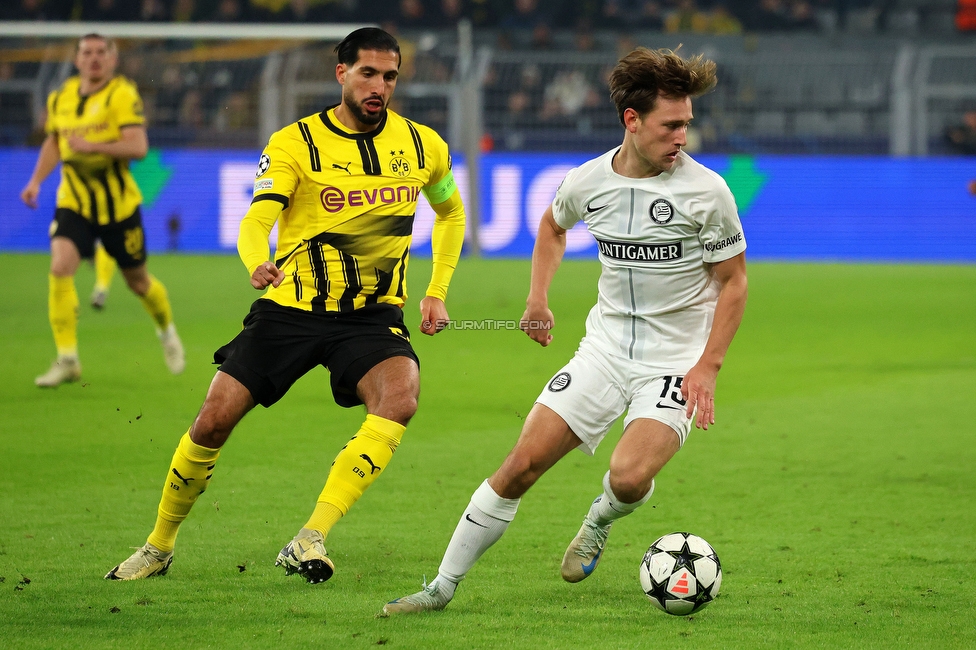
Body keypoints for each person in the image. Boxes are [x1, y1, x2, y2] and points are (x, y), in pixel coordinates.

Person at [382, 46, 748, 615]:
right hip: (602, 352)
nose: (683, 137)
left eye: (687, 125)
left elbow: (735, 283)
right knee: (519, 466)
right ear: (632, 120)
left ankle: (599, 518)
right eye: (671, 125)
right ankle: (440, 588)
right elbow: (553, 227)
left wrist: (707, 366)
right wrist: (537, 298)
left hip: (674, 361)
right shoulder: (588, 181)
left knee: (626, 479)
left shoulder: (708, 193)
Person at [105, 27, 466, 584]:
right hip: (291, 308)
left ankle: (310, 536)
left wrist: (437, 290)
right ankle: (158, 545)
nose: (379, 86)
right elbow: (258, 218)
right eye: (368, 73)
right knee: (213, 419)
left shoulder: (423, 145)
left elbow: (450, 213)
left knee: (400, 398)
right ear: (340, 72)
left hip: (370, 316)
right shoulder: (295, 142)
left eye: (390, 76)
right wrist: (255, 260)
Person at [20, 33, 185, 388]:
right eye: (87, 53)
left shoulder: (122, 94)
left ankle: (166, 331)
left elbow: (139, 146)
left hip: (118, 207)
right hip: (74, 201)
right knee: (60, 264)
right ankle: (67, 358)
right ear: (77, 59)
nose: (93, 59)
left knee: (138, 282)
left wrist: (91, 144)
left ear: (112, 60)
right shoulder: (60, 96)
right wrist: (35, 181)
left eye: (101, 53)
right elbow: (54, 140)